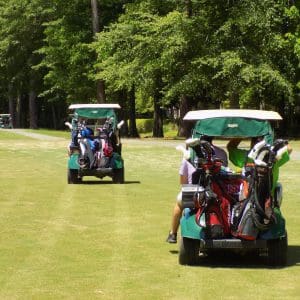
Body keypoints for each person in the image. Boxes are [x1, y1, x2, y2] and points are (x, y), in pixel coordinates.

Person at [166, 136, 228, 243]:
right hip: (219, 192)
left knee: (179, 203)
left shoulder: (189, 156)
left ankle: (173, 233)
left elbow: (183, 182)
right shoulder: (222, 152)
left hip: (196, 192)